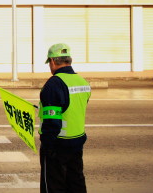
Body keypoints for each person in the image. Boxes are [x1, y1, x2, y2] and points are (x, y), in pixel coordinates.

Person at [39, 43, 91, 193]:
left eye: (49, 62)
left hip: (58, 145)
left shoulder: (54, 84)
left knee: (54, 187)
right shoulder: (83, 82)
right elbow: (73, 108)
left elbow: (52, 121)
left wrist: (47, 145)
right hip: (77, 143)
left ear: (53, 61)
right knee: (76, 183)